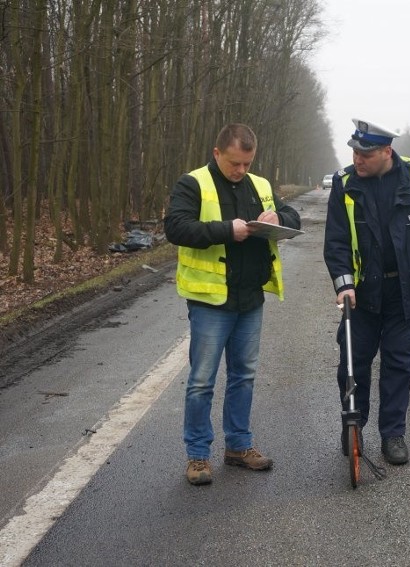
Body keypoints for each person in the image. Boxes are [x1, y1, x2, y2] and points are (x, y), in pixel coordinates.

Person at [164, 123, 301, 485]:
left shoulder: (261, 185)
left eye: (247, 163)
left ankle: (239, 446)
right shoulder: (193, 184)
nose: (241, 170)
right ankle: (197, 456)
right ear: (216, 153)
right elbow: (176, 228)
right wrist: (228, 230)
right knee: (201, 381)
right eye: (234, 163)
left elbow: (292, 217)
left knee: (243, 376)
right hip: (211, 300)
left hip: (250, 298)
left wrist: (279, 219)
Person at [323, 118, 410, 465]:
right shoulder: (344, 183)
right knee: (353, 363)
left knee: (400, 364)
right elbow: (336, 240)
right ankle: (353, 425)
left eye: (366, 154)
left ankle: (393, 435)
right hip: (363, 294)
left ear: (387, 151)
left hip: (406, 292)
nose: (358, 159)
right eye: (355, 151)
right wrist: (344, 285)